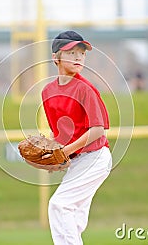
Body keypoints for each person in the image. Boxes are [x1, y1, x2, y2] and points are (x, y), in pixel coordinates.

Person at [42, 31, 112, 244]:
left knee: (59, 205)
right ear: (56, 58)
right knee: (73, 217)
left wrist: (65, 151)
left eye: (81, 53)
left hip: (96, 158)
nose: (78, 57)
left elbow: (98, 130)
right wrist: (59, 157)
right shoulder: (47, 92)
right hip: (78, 161)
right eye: (71, 52)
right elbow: (61, 135)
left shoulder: (86, 88)